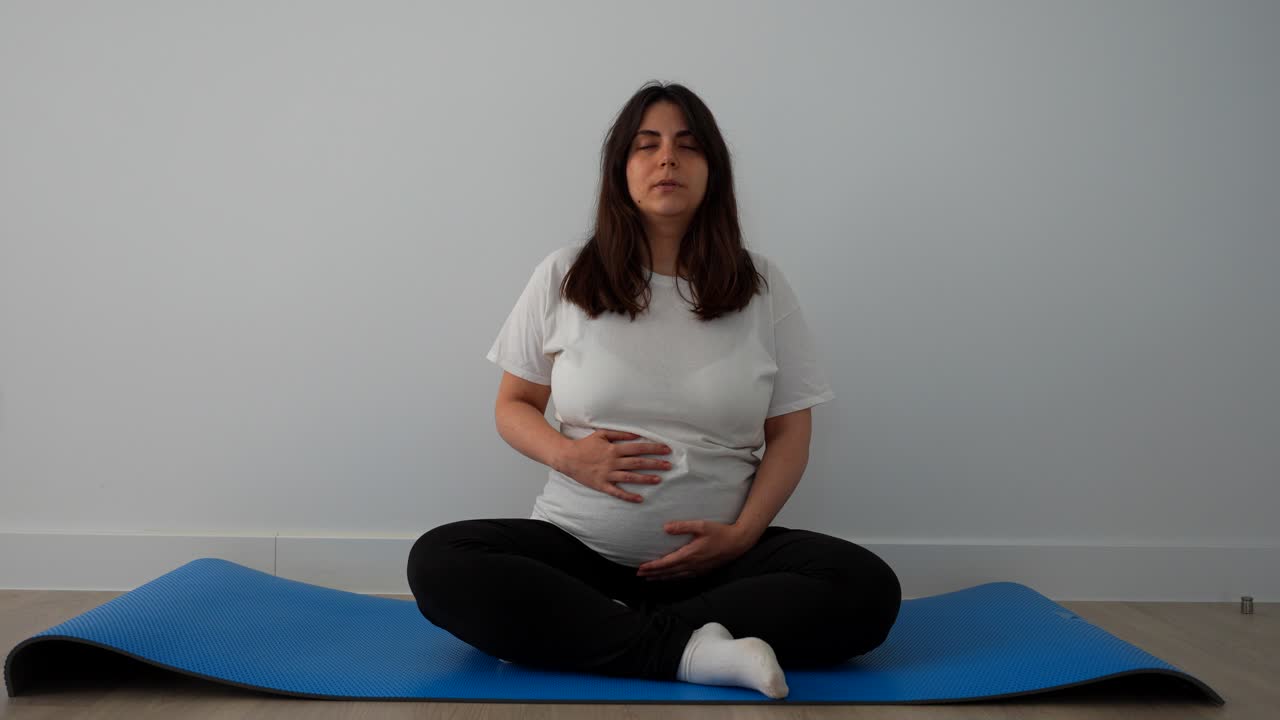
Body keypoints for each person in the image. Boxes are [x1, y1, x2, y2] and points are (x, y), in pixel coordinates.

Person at [407, 82, 901, 700]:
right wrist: (568, 455)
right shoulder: (565, 274)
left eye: (687, 146)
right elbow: (513, 406)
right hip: (577, 554)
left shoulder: (761, 285)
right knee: (439, 561)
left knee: (867, 588)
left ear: (712, 171)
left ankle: (601, 634)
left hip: (718, 566)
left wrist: (744, 534)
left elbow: (790, 432)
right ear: (621, 171)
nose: (667, 158)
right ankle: (693, 651)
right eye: (648, 145)